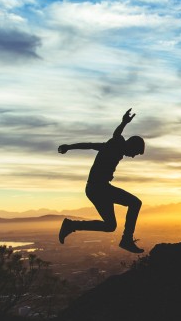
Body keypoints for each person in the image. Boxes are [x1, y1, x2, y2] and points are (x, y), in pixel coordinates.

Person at [57, 108, 146, 253]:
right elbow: (116, 135)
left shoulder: (113, 148)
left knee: (110, 226)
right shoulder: (117, 144)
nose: (134, 156)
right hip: (99, 189)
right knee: (135, 203)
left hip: (97, 189)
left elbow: (91, 145)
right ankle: (126, 240)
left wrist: (70, 147)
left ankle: (71, 225)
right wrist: (123, 122)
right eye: (135, 152)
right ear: (131, 145)